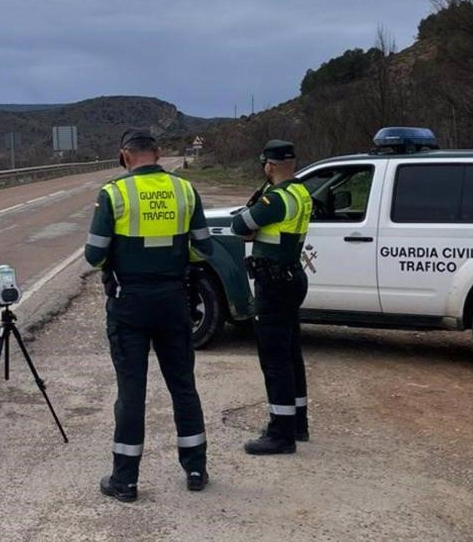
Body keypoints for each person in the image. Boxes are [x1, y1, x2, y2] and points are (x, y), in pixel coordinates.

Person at [84, 128, 213, 502]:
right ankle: (195, 468)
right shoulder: (185, 190)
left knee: (131, 392)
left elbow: (94, 256)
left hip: (130, 304)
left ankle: (125, 481)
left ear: (125, 156)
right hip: (174, 300)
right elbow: (203, 248)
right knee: (183, 386)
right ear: (157, 153)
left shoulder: (114, 194)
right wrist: (173, 258)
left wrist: (126, 258)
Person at [232, 139, 312, 455]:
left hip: (273, 283)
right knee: (291, 353)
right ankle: (298, 423)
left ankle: (281, 434)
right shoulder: (301, 193)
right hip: (293, 276)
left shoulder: (276, 199)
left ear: (270, 165)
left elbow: (240, 225)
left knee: (274, 359)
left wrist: (250, 221)